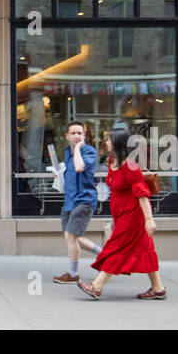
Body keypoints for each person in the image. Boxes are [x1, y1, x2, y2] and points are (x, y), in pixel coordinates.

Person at [78, 126, 166, 300]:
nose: (107, 142)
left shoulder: (131, 166)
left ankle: (97, 286)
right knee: (145, 249)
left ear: (118, 143)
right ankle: (158, 288)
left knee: (116, 248)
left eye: (110, 139)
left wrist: (149, 220)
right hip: (122, 214)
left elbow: (142, 195)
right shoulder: (112, 160)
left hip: (133, 217)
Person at [53, 121, 102, 284]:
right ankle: (105, 256)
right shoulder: (67, 152)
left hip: (84, 200)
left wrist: (79, 149)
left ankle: (73, 274)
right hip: (70, 200)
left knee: (70, 235)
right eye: (72, 133)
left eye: (79, 133)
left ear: (84, 136)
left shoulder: (88, 151)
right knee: (72, 238)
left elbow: (80, 167)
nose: (76, 136)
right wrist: (59, 175)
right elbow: (70, 172)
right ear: (67, 136)